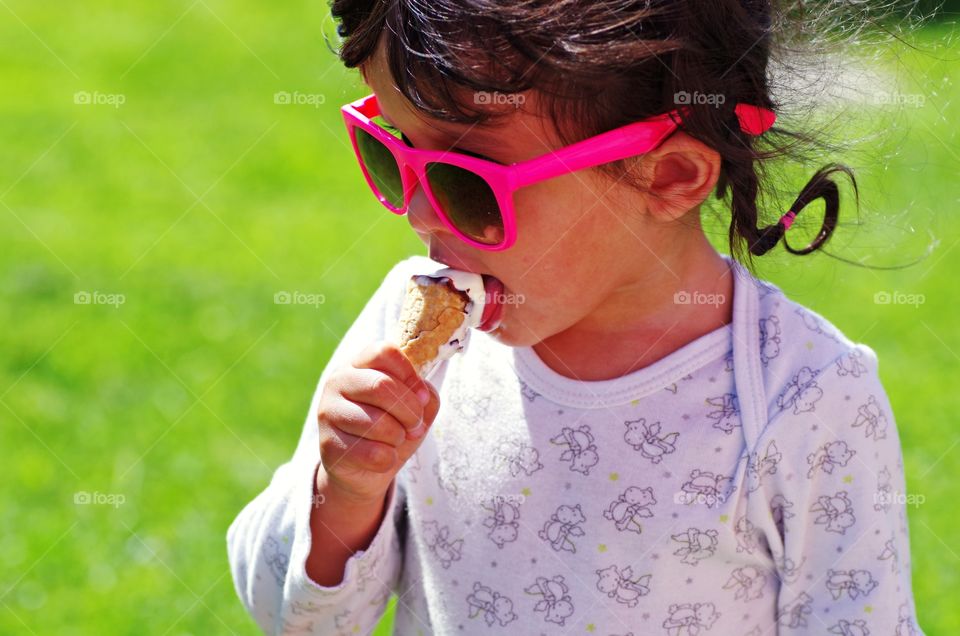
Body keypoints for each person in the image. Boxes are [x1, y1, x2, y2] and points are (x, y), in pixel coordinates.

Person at [228, 1, 924, 633]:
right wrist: (343, 493)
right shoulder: (413, 342)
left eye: (466, 182)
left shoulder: (801, 399)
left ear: (671, 177)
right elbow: (293, 619)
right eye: (390, 152)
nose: (418, 213)